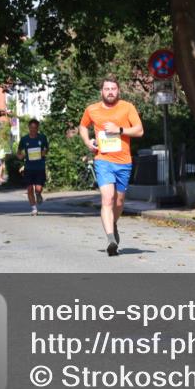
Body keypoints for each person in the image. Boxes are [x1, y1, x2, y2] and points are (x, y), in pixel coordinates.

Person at [78, 75, 143, 256]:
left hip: (123, 162)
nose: (110, 92)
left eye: (113, 89)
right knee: (107, 198)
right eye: (107, 89)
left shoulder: (127, 107)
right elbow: (83, 127)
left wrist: (119, 130)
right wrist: (87, 142)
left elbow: (139, 130)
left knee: (119, 201)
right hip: (103, 160)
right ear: (102, 91)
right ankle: (110, 240)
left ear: (118, 91)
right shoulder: (92, 110)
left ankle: (112, 223)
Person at [17, 119, 49, 215]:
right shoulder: (24, 139)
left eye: (35, 128)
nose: (33, 130)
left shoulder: (42, 138)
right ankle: (34, 208)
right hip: (29, 167)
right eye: (31, 128)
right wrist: (20, 156)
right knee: (30, 188)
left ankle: (38, 194)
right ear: (29, 128)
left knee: (38, 188)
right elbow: (19, 152)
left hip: (40, 167)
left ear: (38, 128)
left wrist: (44, 152)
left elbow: (46, 148)